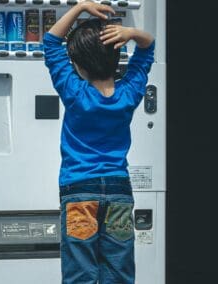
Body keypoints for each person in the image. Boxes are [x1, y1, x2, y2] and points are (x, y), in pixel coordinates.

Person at [43, 0, 155, 283]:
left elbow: (50, 42)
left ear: (78, 64)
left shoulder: (75, 93)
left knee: (81, 272)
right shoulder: (128, 94)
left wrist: (79, 7)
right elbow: (148, 46)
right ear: (116, 56)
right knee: (118, 271)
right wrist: (129, 32)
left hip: (79, 191)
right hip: (118, 191)